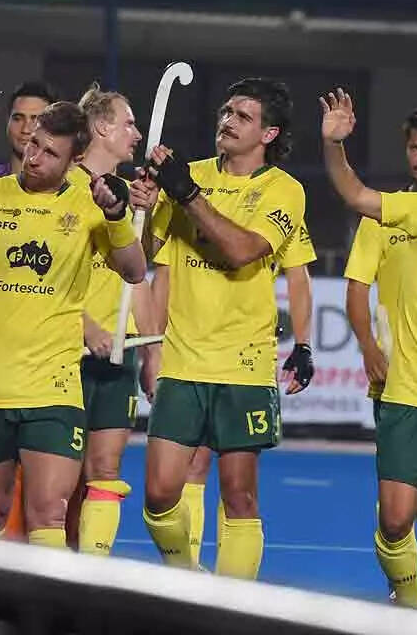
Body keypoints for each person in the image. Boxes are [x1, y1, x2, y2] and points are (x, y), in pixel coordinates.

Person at [0, 101, 146, 547]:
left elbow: (134, 270)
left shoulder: (90, 206)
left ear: (75, 160)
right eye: (33, 145)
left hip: (54, 388)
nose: (34, 157)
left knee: (49, 511)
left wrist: (116, 218)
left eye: (50, 153)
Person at [133, 77, 306, 580]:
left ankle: (233, 605)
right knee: (159, 495)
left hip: (243, 364)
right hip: (183, 359)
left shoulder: (284, 190)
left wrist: (185, 193)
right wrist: (139, 209)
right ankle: (187, 577)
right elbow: (147, 261)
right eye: (226, 111)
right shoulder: (188, 175)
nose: (227, 121)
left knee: (239, 494)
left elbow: (242, 250)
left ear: (269, 134)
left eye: (243, 116)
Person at [321, 93, 417, 613]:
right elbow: (356, 290)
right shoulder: (383, 215)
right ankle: (410, 603)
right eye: (415, 149)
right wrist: (367, 347)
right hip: (403, 386)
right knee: (394, 518)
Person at [53, 84, 162, 554]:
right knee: (60, 481)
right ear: (101, 127)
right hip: (66, 352)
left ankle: (91, 573)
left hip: (119, 353)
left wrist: (152, 352)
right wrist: (86, 324)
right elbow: (42, 278)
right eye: (128, 123)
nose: (136, 134)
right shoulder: (63, 188)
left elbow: (137, 279)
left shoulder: (132, 199)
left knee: (105, 472)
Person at [179, 231, 318, 568]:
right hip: (192, 351)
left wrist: (303, 344)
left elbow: (298, 271)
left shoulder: (280, 202)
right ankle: (186, 573)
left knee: (236, 483)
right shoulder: (192, 196)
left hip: (246, 357)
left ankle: (228, 587)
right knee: (191, 467)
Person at [0, 81, 57, 177]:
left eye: (36, 121)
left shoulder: (69, 182)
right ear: (7, 121)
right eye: (18, 119)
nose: (25, 129)